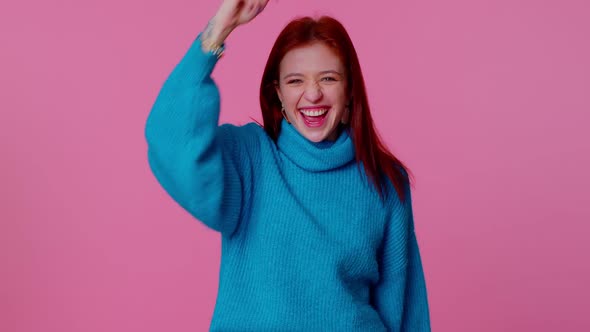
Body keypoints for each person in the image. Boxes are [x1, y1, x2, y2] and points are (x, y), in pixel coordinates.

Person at [144, 0, 431, 330]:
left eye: (328, 78)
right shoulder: (250, 159)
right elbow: (170, 140)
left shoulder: (384, 180)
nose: (312, 95)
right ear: (277, 93)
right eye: (296, 81)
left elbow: (405, 308)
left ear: (350, 90)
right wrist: (218, 29)